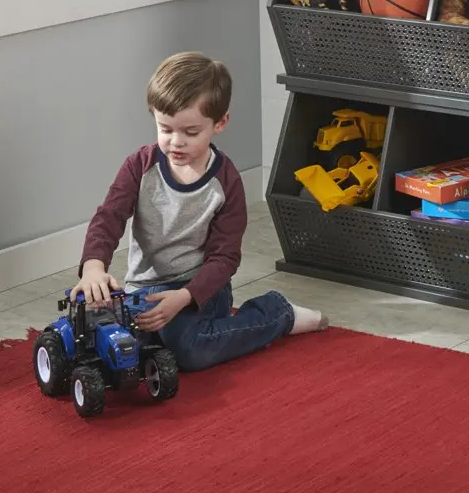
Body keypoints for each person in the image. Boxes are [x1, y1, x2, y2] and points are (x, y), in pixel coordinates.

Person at [71, 51, 328, 372]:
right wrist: (94, 266)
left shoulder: (226, 181)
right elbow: (108, 217)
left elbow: (225, 258)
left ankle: (277, 313)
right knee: (105, 340)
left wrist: (185, 296)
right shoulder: (139, 166)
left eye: (190, 132)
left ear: (219, 123)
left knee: (187, 351)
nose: (176, 142)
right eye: (165, 129)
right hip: (143, 289)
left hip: (200, 288)